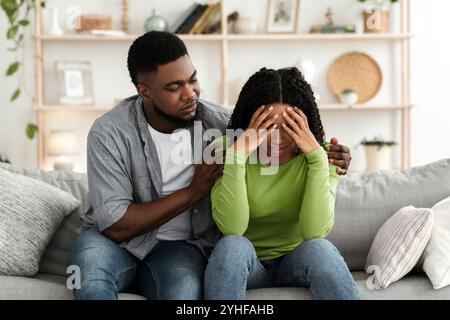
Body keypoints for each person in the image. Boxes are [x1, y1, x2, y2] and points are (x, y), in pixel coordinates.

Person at [67, 31, 352, 300]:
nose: (190, 93)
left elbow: (276, 134)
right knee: (90, 278)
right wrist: (194, 191)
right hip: (112, 242)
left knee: (184, 290)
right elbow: (115, 225)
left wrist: (328, 156)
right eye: (174, 87)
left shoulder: (224, 125)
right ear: (145, 91)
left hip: (180, 248)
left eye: (192, 80)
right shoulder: (110, 132)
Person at [204, 67, 360, 300]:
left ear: (304, 125)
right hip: (248, 263)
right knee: (232, 246)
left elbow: (315, 231)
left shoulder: (324, 156)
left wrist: (316, 160)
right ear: (249, 123)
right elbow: (233, 228)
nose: (277, 138)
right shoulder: (226, 151)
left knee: (321, 249)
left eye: (288, 127)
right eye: (266, 127)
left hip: (296, 263)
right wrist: (237, 157)